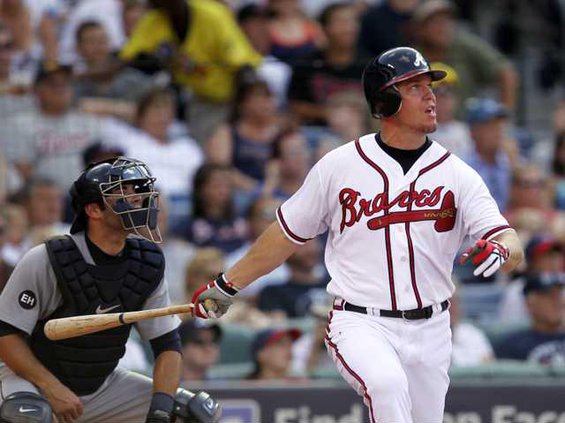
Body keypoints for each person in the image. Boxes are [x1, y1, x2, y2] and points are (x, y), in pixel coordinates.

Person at [190, 46, 524, 422]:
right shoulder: (339, 166)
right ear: (385, 99)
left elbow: (508, 239)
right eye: (415, 87)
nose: (431, 97)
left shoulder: (457, 174)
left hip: (431, 328)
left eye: (429, 86)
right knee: (386, 385)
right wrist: (227, 285)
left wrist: (502, 248)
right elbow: (286, 234)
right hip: (361, 321)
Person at [0, 157, 220, 423]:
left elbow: (167, 344)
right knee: (26, 416)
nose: (137, 198)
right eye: (123, 192)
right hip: (30, 379)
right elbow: (6, 334)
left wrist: (161, 411)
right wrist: (51, 387)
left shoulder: (146, 262)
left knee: (190, 412)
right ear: (94, 210)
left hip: (101, 386)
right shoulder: (47, 258)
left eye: (137, 191)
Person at [494, 272, 565, 365]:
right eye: (549, 297)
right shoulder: (512, 345)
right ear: (530, 304)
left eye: (559, 295)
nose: (557, 302)